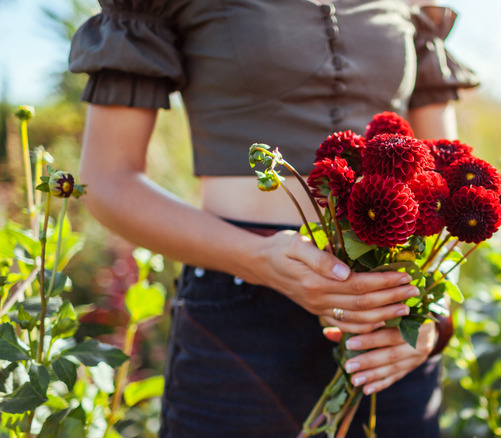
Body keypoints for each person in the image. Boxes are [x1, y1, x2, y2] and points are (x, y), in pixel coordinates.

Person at [69, 0, 477, 436]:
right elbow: (108, 180)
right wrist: (259, 258)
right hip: (240, 313)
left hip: (389, 320)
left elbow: (442, 176)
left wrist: (431, 312)